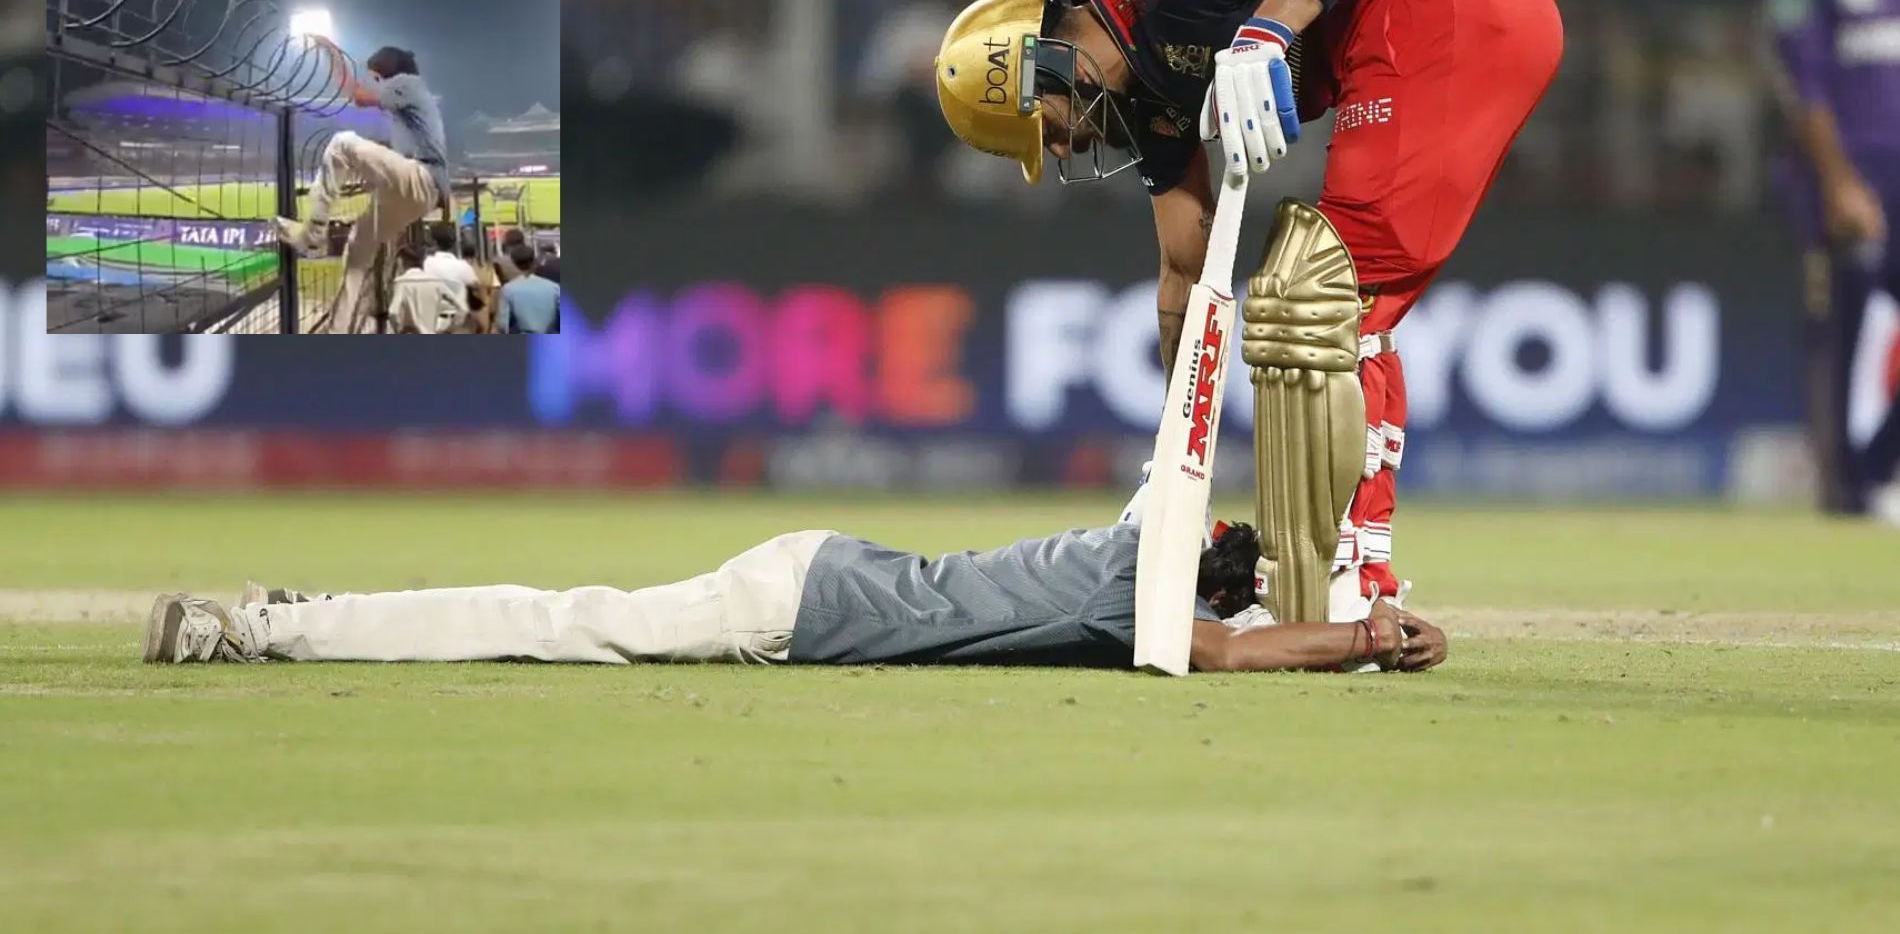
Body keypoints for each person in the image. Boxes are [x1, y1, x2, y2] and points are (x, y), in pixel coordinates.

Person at [936, 0, 1562, 615]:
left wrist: (1267, 30)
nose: (1061, 147)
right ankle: (1348, 570)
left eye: (1039, 127)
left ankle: (1350, 582)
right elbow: (1184, 272)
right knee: (1328, 299)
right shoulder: (1144, 102)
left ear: (1040, 64)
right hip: (1428, 32)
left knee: (1317, 295)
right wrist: (1176, 462)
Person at [139, 512, 1447, 672]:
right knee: (558, 626)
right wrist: (1366, 641)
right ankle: (259, 627)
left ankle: (290, 616)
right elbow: (1222, 657)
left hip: (819, 573)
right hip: (799, 607)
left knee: (565, 614)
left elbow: (1210, 597)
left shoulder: (1136, 535)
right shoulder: (1145, 601)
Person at [1764, 0, 1900, 517]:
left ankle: (1876, 471)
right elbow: (1803, 85)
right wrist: (1841, 182)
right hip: (1843, 181)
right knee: (1844, 333)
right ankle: (1845, 492)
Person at [274, 41, 451, 333]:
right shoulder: (413, 98)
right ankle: (338, 330)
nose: (376, 84)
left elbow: (357, 95)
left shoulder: (407, 83)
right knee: (358, 248)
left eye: (376, 77)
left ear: (385, 73)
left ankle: (313, 233)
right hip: (422, 191)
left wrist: (331, 53)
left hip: (422, 177)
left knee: (341, 143)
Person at [387, 243, 466, 334]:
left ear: (405, 261)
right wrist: (449, 328)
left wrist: (398, 330)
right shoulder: (435, 281)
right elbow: (463, 308)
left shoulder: (402, 282)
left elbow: (393, 312)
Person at [496, 241, 560, 332]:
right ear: (534, 261)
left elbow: (502, 324)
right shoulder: (554, 287)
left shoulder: (508, 289)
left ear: (514, 263)